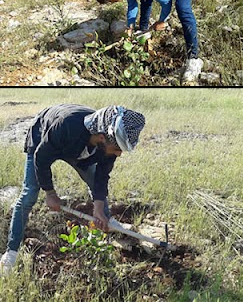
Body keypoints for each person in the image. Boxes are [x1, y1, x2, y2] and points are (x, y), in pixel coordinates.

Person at [0, 104, 145, 274]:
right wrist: (50, 193)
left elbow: (101, 176)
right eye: (118, 149)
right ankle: (11, 253)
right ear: (101, 137)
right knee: (29, 194)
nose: (119, 154)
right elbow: (41, 158)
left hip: (78, 147)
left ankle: (106, 220)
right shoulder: (66, 125)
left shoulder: (108, 143)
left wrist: (98, 208)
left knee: (93, 182)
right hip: (44, 136)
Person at [93, 0, 202, 82]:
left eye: (111, 0)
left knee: (182, 7)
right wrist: (130, 27)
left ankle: (194, 59)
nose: (112, 4)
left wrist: (161, 21)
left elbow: (167, 0)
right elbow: (132, 5)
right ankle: (144, 32)